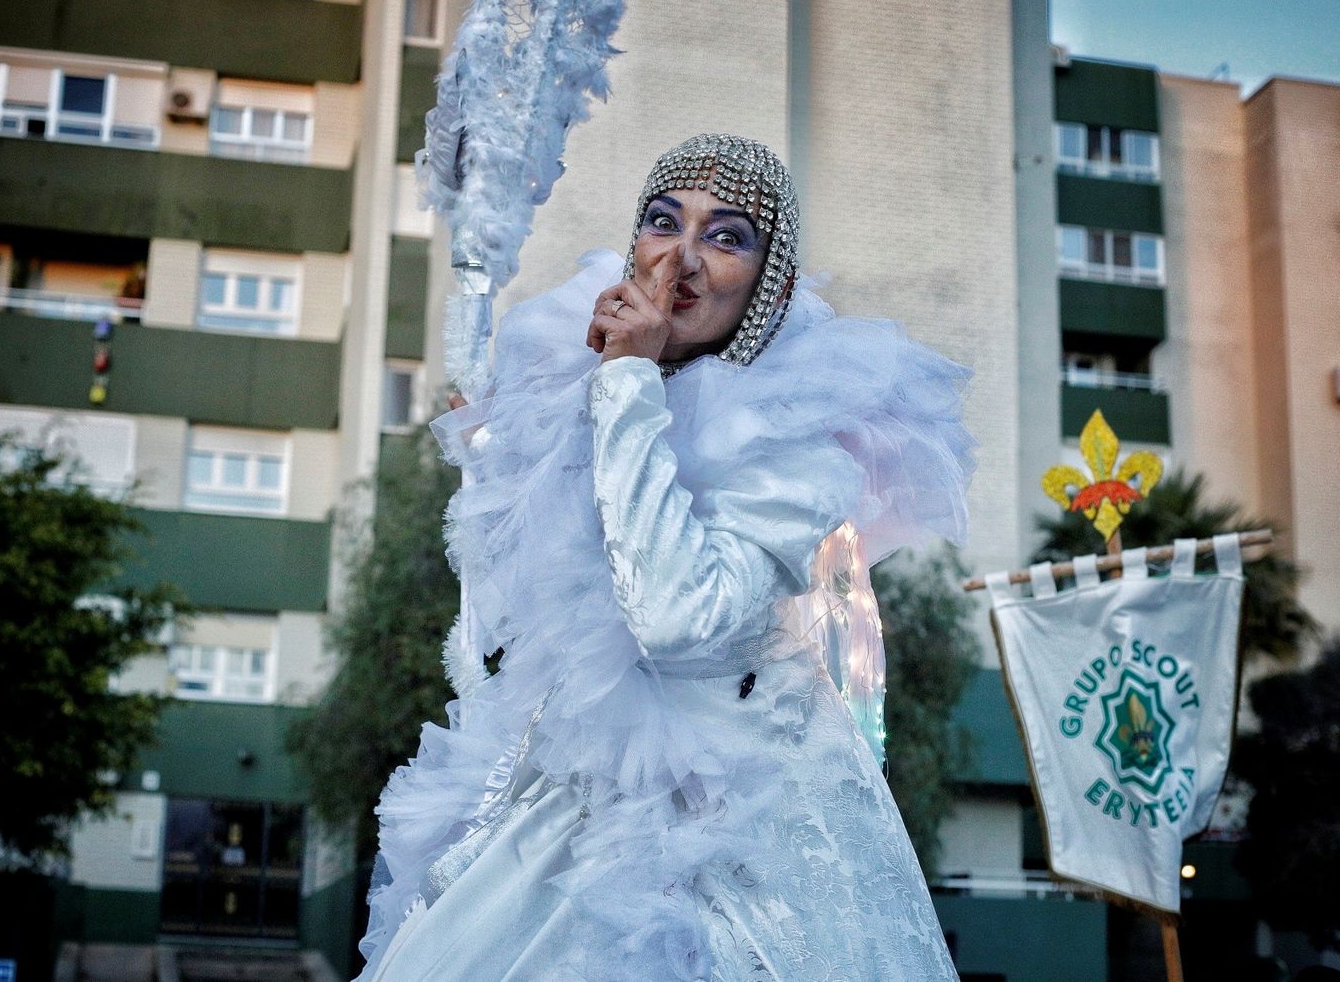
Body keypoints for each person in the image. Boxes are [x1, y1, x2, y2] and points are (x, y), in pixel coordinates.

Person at [357, 134, 975, 980]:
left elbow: (677, 620)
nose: (680, 259)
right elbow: (526, 608)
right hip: (573, 796)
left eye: (726, 236)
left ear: (772, 286)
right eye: (661, 222)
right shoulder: (597, 385)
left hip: (742, 828)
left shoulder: (797, 442)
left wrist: (625, 385)